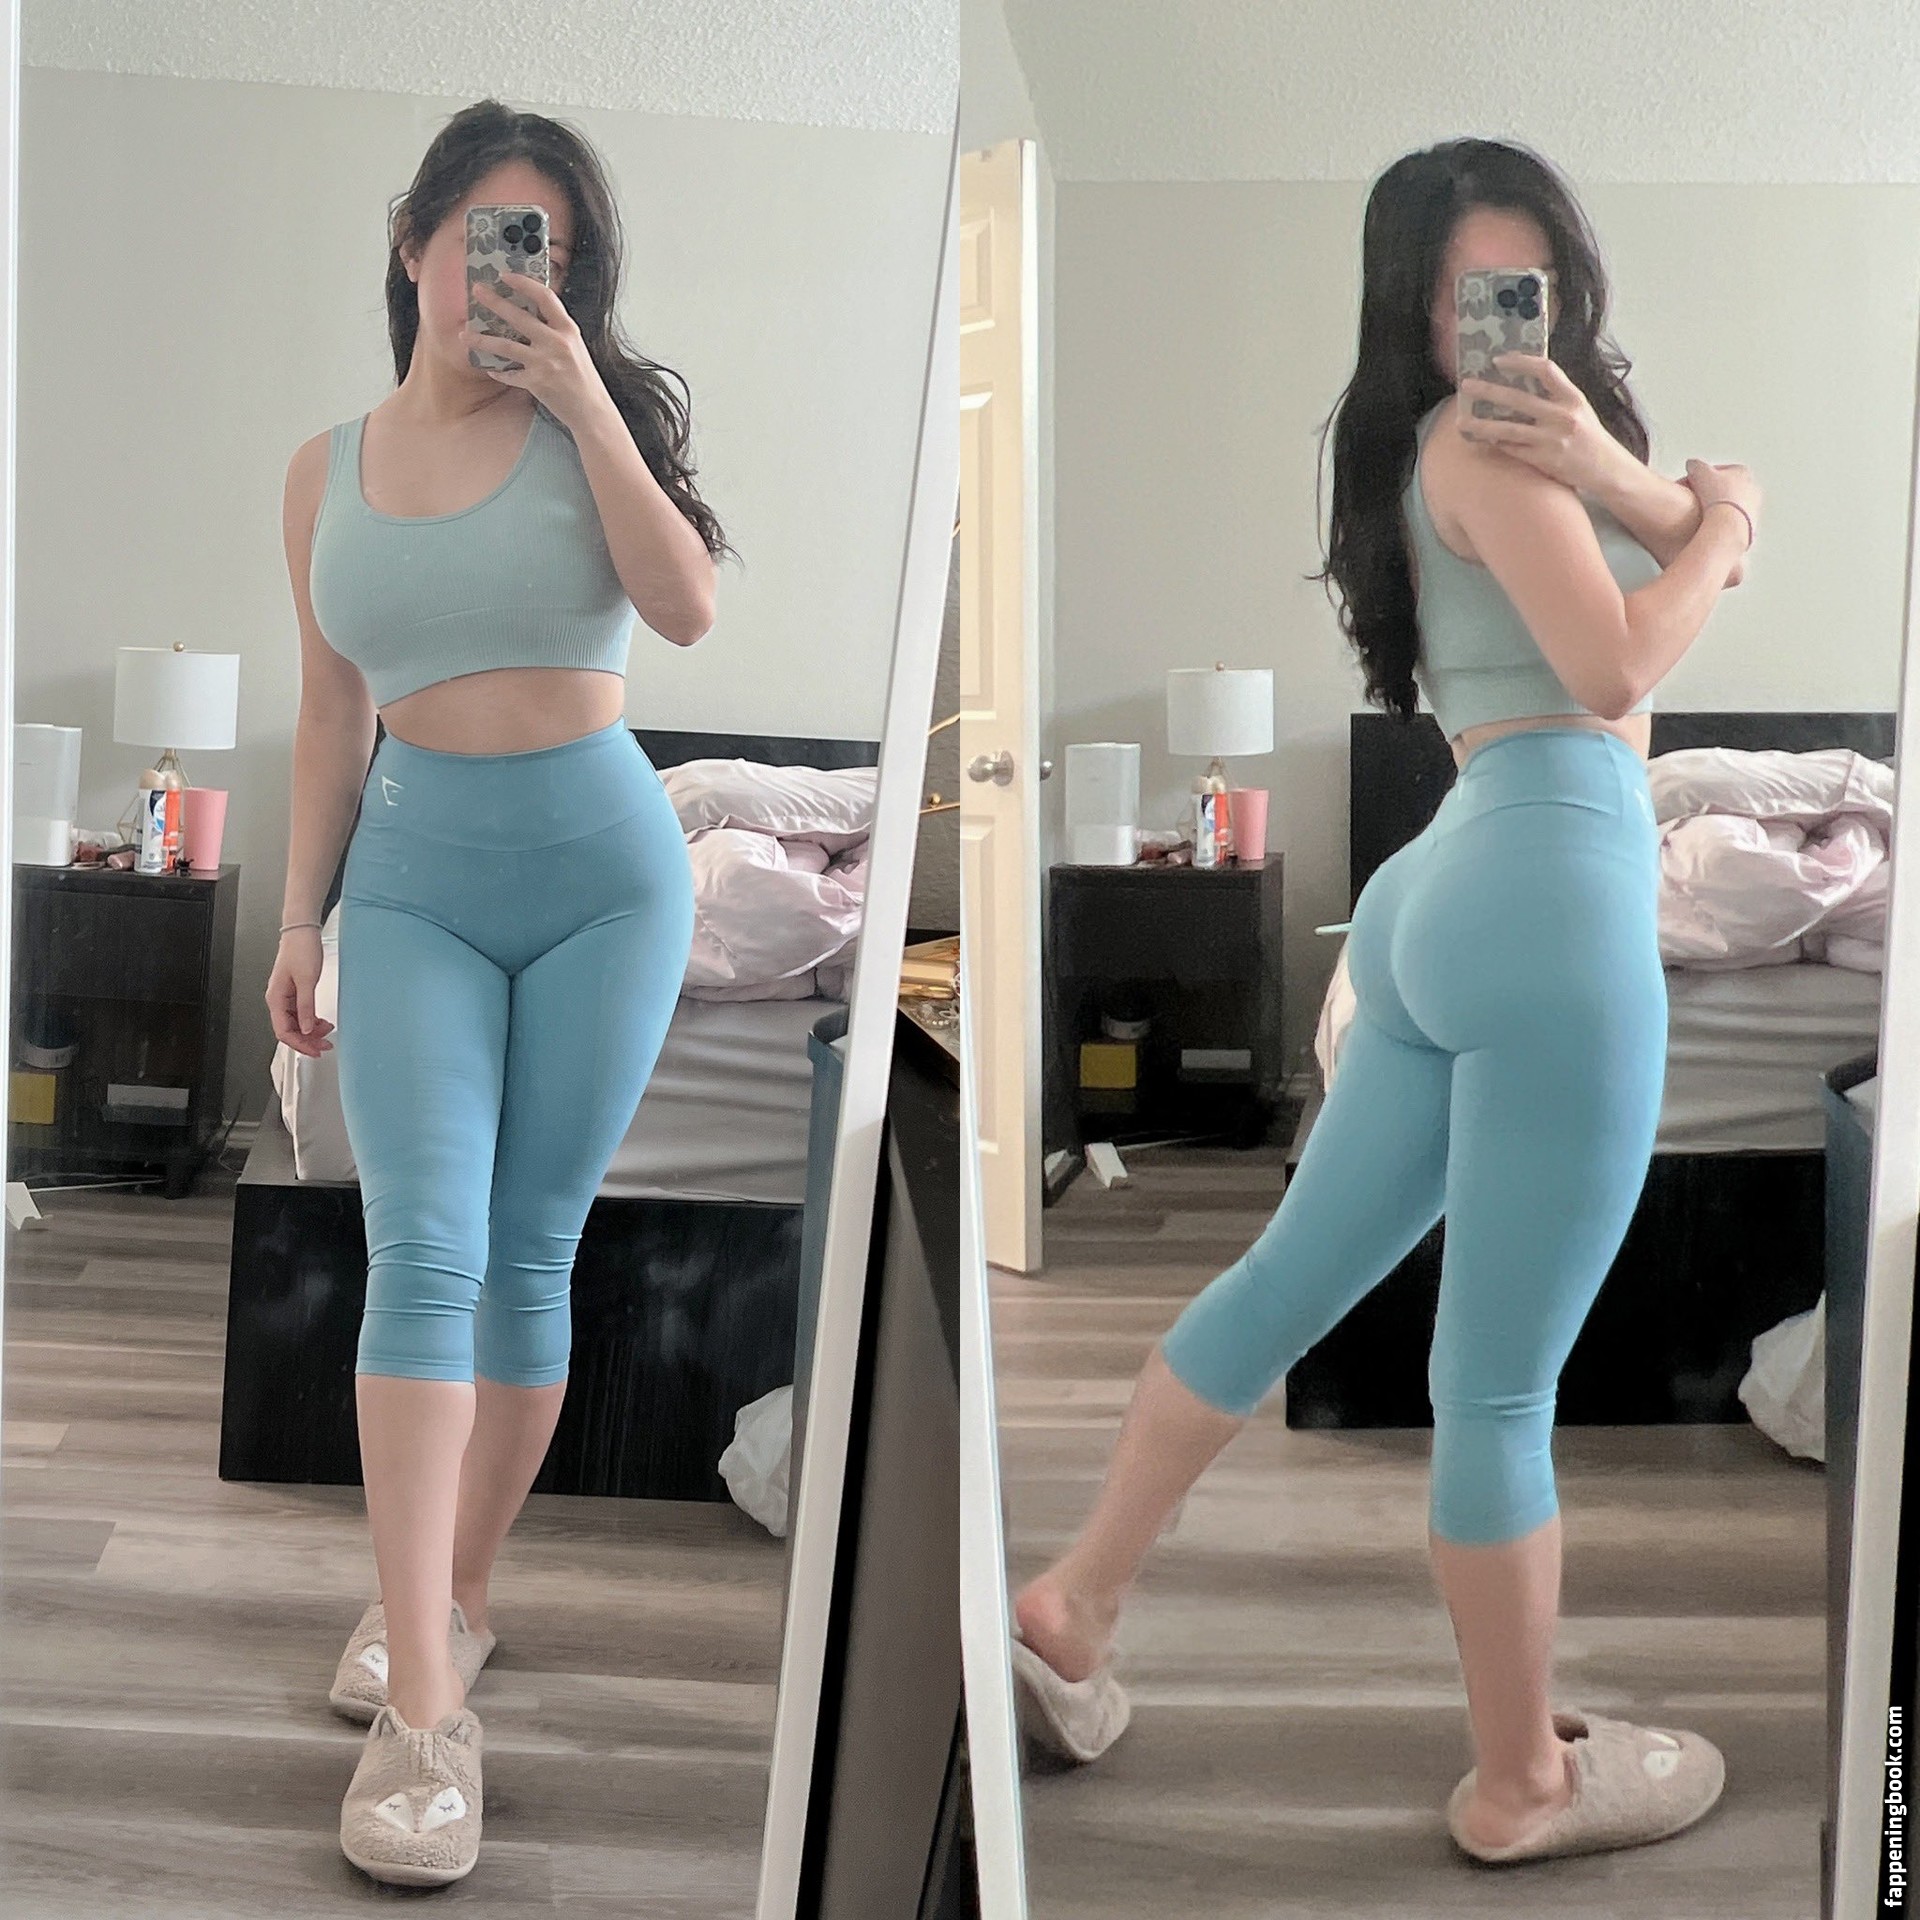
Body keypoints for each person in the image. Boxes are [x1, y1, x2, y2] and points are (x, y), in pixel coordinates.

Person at [1010, 137, 1761, 1869]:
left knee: (1287, 1284)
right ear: (1413, 313)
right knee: (1494, 1391)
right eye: (1464, 292)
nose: (1502, 318)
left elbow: (1668, 561)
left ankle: (1078, 1601)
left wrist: (1663, 495)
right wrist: (1724, 518)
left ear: (1564, 283)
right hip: (1554, 884)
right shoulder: (1491, 450)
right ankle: (1520, 1786)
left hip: (1446, 883)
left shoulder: (1469, 451)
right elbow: (1623, 659)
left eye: (1526, 281)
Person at [263, 98, 730, 1888]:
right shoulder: (322, 470)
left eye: (546, 251)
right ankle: (422, 1713)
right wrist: (298, 919)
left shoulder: (588, 427)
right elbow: (329, 714)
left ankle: (453, 1602)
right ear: (415, 246)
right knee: (423, 1252)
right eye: (482, 238)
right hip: (416, 884)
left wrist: (590, 401)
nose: (505, 277)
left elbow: (685, 612)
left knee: (531, 1256)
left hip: (609, 880)